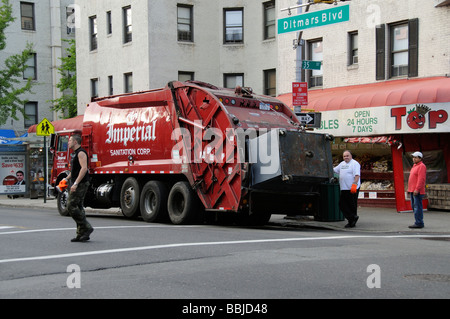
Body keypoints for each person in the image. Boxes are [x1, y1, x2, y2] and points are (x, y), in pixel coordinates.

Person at [64, 134, 94, 242]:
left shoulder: (81, 152)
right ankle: (81, 234)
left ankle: (86, 227)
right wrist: (66, 179)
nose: (68, 142)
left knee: (71, 205)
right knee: (79, 207)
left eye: (70, 140)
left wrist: (76, 183)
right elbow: (75, 171)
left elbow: (84, 168)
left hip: (81, 184)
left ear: (75, 142)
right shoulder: (75, 154)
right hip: (76, 182)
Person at [334, 150, 361, 228]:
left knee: (351, 205)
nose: (346, 157)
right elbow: (334, 170)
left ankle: (352, 221)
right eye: (344, 156)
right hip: (344, 188)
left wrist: (355, 184)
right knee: (342, 204)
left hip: (352, 188)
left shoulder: (355, 164)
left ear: (351, 156)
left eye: (347, 156)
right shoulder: (342, 164)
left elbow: (357, 175)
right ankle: (352, 217)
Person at [407, 151, 427, 229]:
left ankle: (419, 222)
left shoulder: (421, 166)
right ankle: (418, 221)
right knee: (414, 206)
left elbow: (421, 179)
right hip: (412, 189)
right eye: (413, 157)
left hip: (417, 190)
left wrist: (417, 189)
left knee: (417, 206)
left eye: (415, 157)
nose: (414, 159)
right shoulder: (414, 166)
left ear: (420, 158)